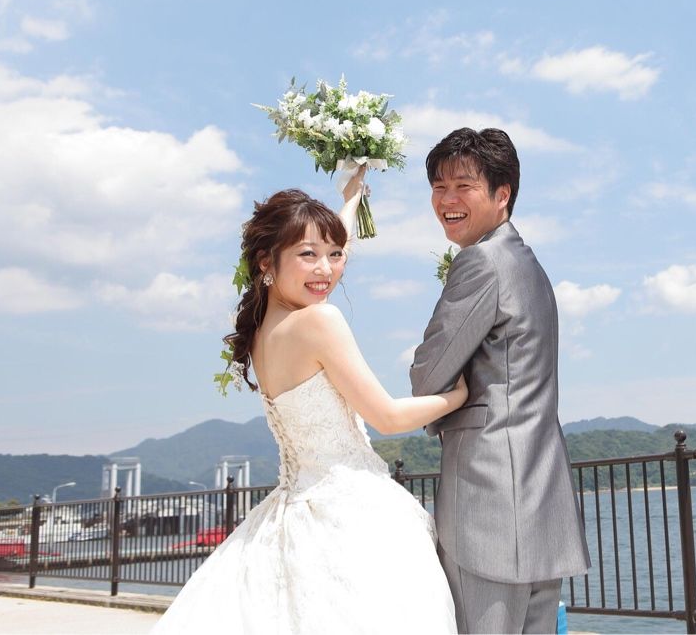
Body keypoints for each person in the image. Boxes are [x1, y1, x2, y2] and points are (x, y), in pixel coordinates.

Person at [154, 182, 463, 634]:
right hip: (352, 512)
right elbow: (388, 417)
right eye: (308, 255)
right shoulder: (319, 320)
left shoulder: (262, 332)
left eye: (335, 255)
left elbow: (325, 250)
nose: (326, 269)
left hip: (292, 509)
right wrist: (460, 394)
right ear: (267, 262)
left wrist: (352, 196)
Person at [410, 128, 590, 634]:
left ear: (501, 194)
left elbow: (426, 376)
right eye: (439, 187)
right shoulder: (529, 265)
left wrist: (454, 392)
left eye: (463, 186)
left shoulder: (481, 262)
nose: (447, 200)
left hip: (488, 504)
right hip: (541, 497)